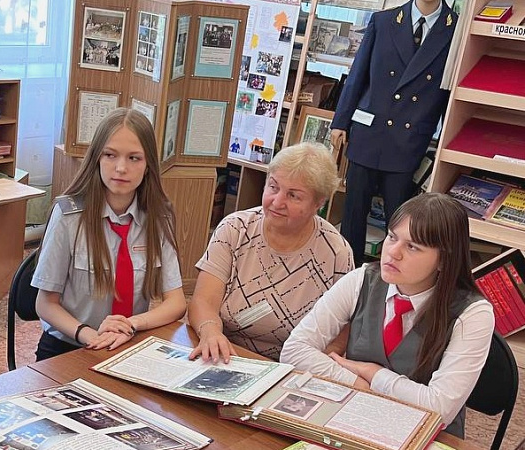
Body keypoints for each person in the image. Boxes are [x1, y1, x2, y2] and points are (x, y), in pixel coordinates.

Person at [281, 193, 494, 438]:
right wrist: (356, 383)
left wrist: (373, 373)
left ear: (444, 260)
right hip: (354, 418)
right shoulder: (361, 280)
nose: (393, 252)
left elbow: (439, 410)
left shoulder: (474, 314)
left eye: (412, 247)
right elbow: (294, 350)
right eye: (392, 237)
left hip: (425, 436)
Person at [32, 108, 187, 361]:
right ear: (97, 158)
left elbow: (177, 302)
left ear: (148, 165)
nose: (121, 168)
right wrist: (91, 336)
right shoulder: (69, 216)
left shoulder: (159, 217)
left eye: (134, 158)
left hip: (126, 342)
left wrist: (132, 324)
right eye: (110, 155)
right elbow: (45, 304)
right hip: (70, 345)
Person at [188, 142, 354, 364]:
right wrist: (210, 332)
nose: (277, 202)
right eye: (273, 187)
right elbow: (203, 301)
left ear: (319, 203)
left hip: (292, 365)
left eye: (293, 196)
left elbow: (341, 333)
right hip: (227, 353)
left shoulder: (337, 253)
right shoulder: (235, 229)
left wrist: (305, 369)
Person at [329, 0, 457, 267]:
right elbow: (358, 74)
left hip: (409, 140)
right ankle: (348, 274)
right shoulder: (383, 21)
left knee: (399, 221)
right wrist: (340, 121)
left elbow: (451, 95)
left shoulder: (454, 29)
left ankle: (393, 278)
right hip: (368, 132)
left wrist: (449, 140)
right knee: (353, 213)